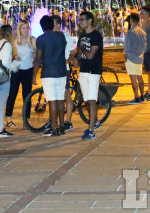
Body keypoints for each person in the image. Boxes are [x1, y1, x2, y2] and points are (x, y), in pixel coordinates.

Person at [33, 16, 67, 137]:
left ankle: (53, 128)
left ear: (42, 27)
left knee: (52, 100)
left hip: (48, 72)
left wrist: (34, 76)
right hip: (61, 71)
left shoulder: (41, 39)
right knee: (59, 100)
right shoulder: (61, 36)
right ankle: (62, 126)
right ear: (52, 25)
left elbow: (38, 59)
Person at [73, 11, 103, 140]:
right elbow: (79, 55)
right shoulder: (81, 36)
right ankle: (95, 122)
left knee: (91, 101)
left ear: (90, 20)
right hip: (83, 71)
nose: (80, 22)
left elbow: (90, 55)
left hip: (93, 71)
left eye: (82, 20)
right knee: (86, 100)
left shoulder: (96, 36)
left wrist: (81, 48)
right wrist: (75, 57)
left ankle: (91, 130)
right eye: (79, 20)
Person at [0, 24, 19, 137]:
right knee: (1, 104)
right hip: (3, 76)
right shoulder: (7, 44)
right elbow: (6, 62)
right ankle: (0, 130)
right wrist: (15, 68)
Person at [4, 20, 35, 129]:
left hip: (28, 70)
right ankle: (8, 118)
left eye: (27, 28)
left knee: (27, 96)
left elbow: (36, 57)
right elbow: (8, 56)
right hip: (16, 70)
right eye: (23, 28)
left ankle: (26, 120)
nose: (26, 30)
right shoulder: (14, 41)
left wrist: (34, 49)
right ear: (19, 29)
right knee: (12, 94)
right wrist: (14, 57)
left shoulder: (32, 39)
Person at [125, 13, 147, 104]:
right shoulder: (143, 32)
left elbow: (127, 47)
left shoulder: (130, 33)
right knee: (140, 77)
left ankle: (136, 97)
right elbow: (145, 46)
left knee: (133, 78)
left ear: (131, 20)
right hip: (140, 57)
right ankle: (142, 96)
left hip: (131, 57)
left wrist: (125, 58)